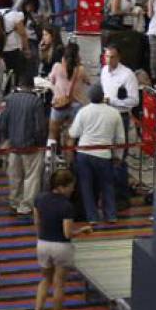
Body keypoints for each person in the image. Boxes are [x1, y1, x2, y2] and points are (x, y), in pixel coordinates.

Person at [30, 168, 84, 310]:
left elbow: (37, 222)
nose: (72, 189)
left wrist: (40, 238)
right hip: (61, 247)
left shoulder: (39, 199)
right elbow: (67, 233)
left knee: (45, 279)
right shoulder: (67, 206)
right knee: (59, 284)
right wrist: (83, 230)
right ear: (61, 187)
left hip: (43, 244)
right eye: (70, 186)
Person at [68, 83, 123, 225]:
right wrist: (118, 156)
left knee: (86, 186)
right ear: (103, 96)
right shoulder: (114, 113)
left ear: (89, 96)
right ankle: (110, 215)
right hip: (104, 154)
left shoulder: (83, 111)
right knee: (107, 185)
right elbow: (120, 139)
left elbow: (74, 133)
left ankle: (92, 217)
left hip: (84, 154)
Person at [0, 79, 48, 219]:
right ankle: (26, 206)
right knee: (31, 177)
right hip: (31, 146)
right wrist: (40, 143)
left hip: (13, 145)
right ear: (32, 87)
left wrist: (6, 139)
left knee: (14, 175)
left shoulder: (9, 99)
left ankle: (14, 201)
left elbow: (2, 122)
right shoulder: (36, 101)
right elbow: (40, 127)